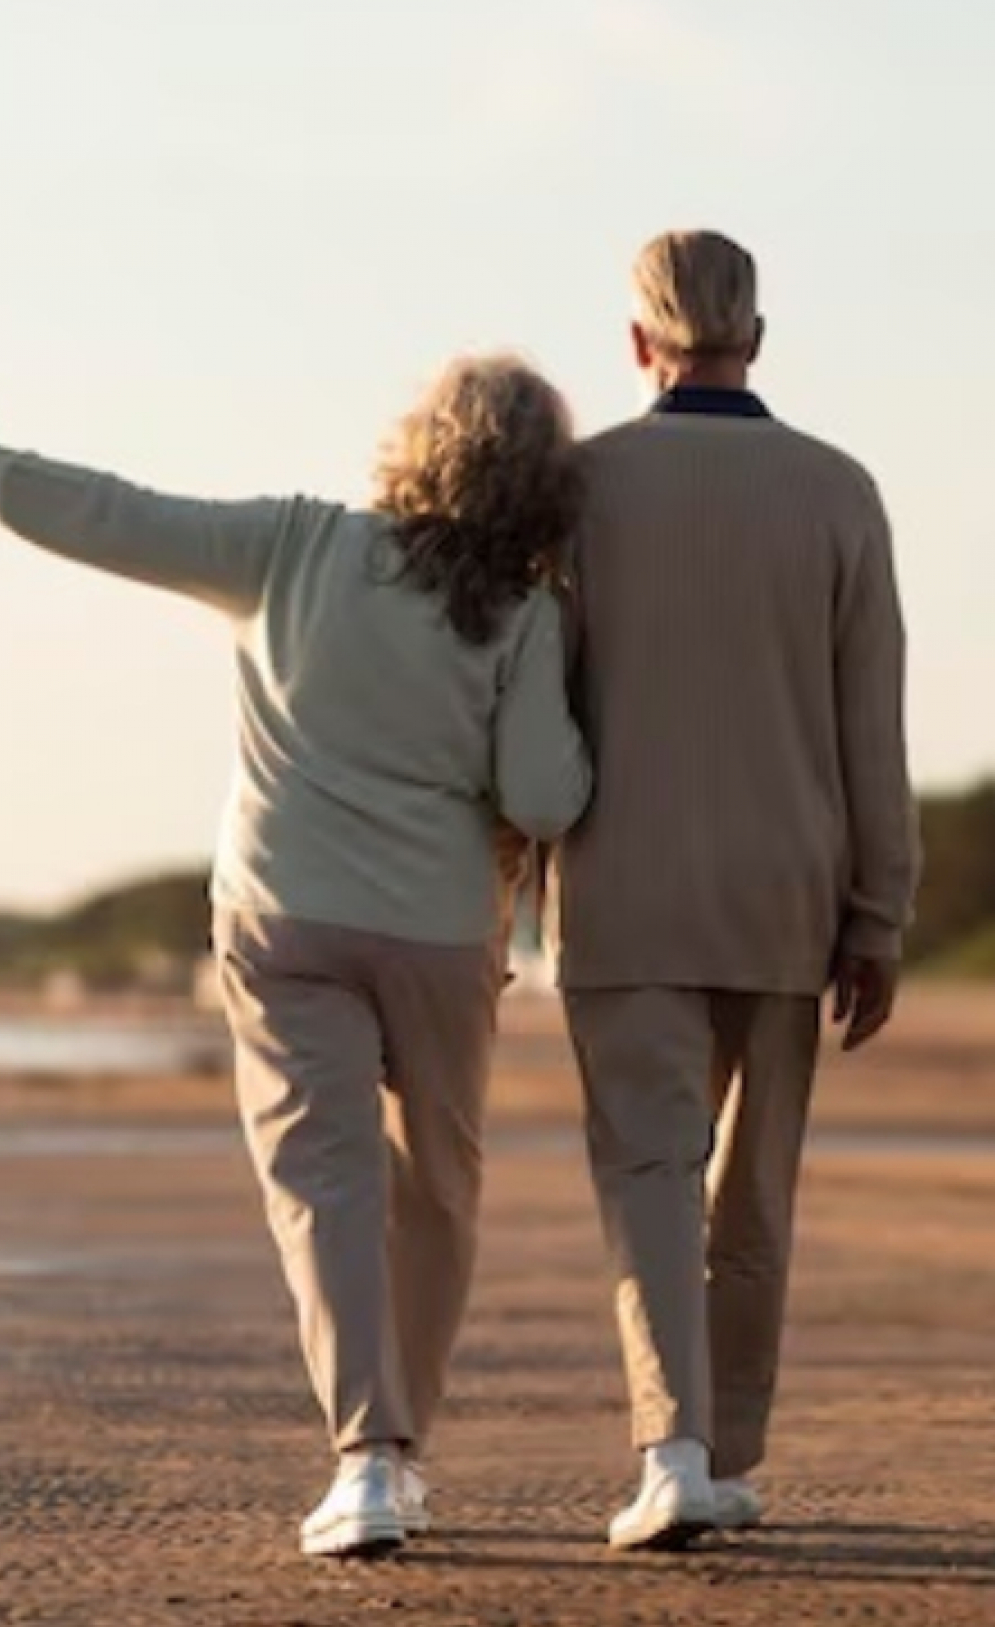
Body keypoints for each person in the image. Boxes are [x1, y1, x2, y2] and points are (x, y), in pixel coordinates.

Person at [0, 358, 593, 1559]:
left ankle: (364, 1462)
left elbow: (116, 515)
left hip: (285, 912)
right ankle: (398, 1454)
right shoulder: (524, 607)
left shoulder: (295, 547)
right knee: (439, 1189)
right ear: (541, 480)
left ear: (417, 442)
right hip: (438, 930)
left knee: (328, 1185)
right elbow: (544, 796)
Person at [556, 231, 920, 1551]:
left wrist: (500, 876)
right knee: (752, 1194)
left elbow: (535, 711)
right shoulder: (838, 489)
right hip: (788, 894)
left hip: (621, 887)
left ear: (637, 342)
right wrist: (880, 913)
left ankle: (677, 1448)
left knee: (651, 1173)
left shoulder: (582, 486)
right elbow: (868, 721)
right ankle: (720, 1450)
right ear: (757, 335)